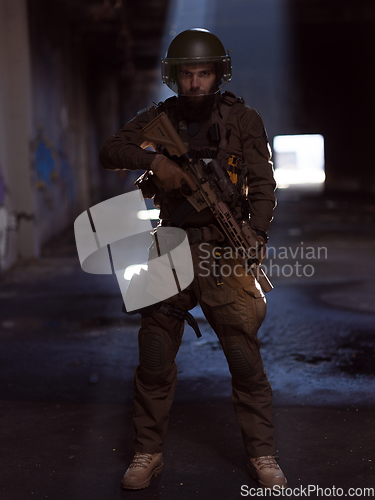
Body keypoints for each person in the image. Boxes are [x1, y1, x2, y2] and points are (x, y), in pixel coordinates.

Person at [99, 28, 287, 491]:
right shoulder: (158, 118)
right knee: (155, 354)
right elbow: (111, 150)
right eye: (188, 74)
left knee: (244, 358)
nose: (196, 83)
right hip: (170, 246)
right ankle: (148, 453)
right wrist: (157, 165)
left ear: (217, 75)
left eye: (204, 74)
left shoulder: (243, 119)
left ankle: (263, 456)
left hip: (224, 252)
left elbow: (263, 185)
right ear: (175, 77)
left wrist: (257, 234)